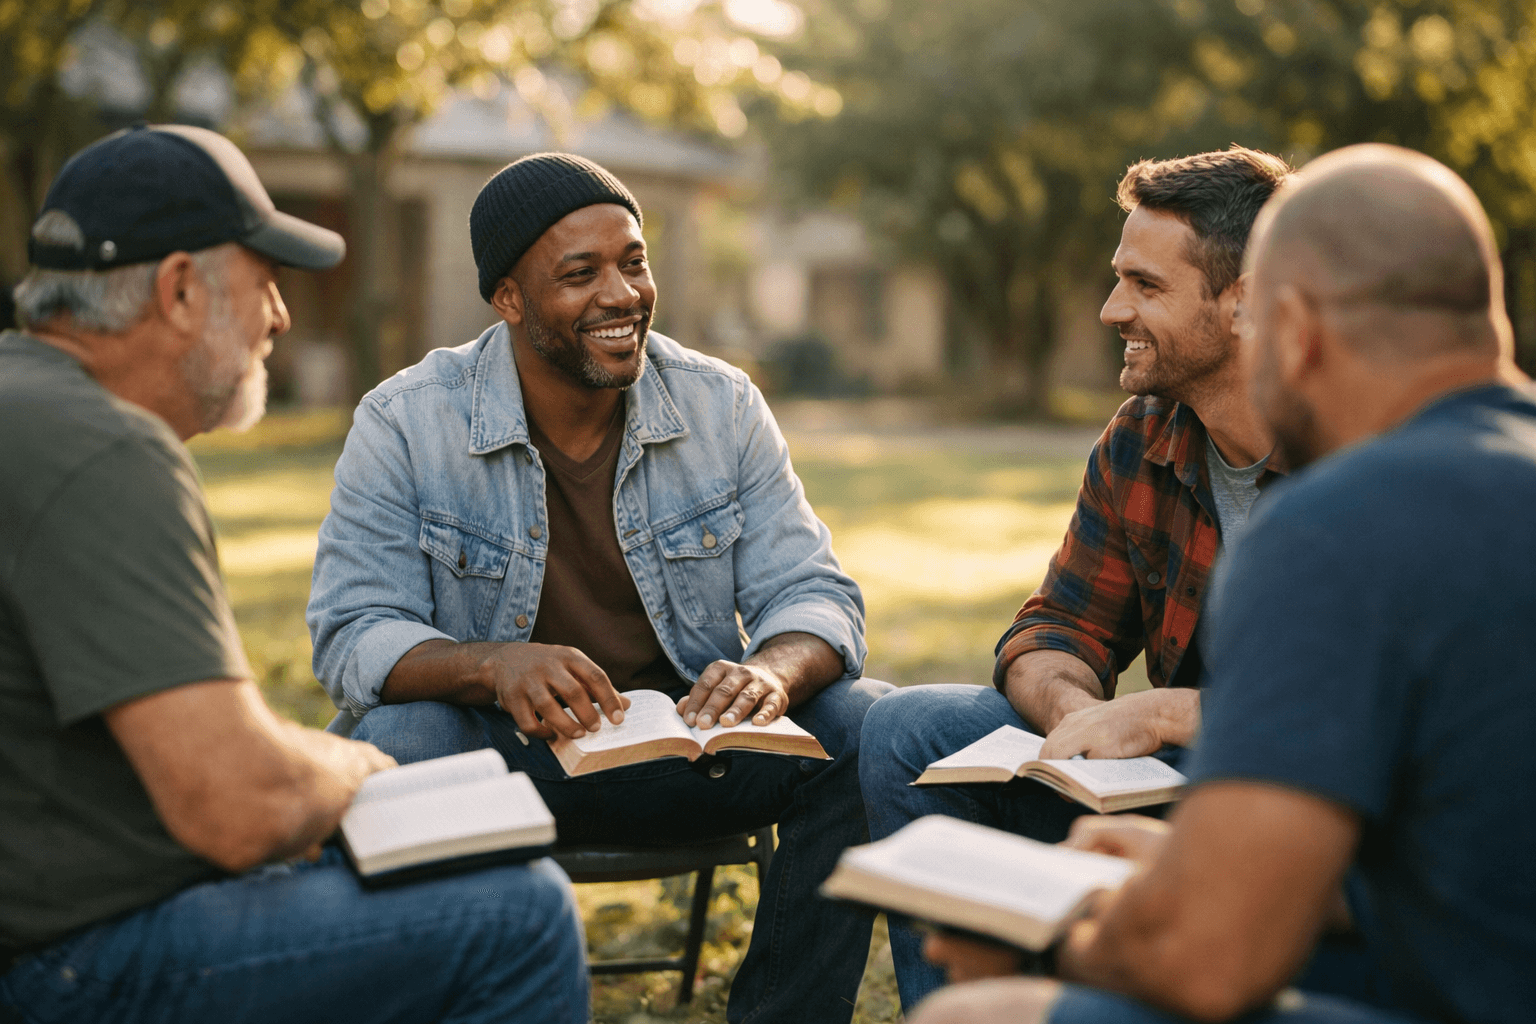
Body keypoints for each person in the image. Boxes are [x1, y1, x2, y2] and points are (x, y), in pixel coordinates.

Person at [906, 143, 1536, 1024]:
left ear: (1291, 327)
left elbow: (1209, 965)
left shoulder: (1336, 525)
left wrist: (1050, 933)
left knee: (972, 1016)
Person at [0, 125, 588, 1024]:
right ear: (182, 290)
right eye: (264, 279)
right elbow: (238, 805)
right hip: (58, 962)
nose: (278, 316)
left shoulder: (27, 405)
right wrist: (354, 768)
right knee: (522, 914)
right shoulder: (103, 450)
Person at [306, 152, 892, 1024]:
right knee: (400, 739)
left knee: (866, 721)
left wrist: (774, 669)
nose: (622, 295)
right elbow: (352, 633)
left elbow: (814, 593)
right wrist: (493, 666)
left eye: (634, 261)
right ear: (508, 299)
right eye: (580, 275)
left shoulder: (721, 405)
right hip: (503, 764)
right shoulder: (406, 420)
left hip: (695, 752)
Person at [859, 146, 1293, 1005]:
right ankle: (963, 1013)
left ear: (1243, 303)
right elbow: (1056, 628)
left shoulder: (1356, 460)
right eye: (1115, 278)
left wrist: (1164, 712)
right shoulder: (1142, 435)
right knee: (905, 727)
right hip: (1156, 791)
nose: (1109, 310)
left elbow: (1361, 715)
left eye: (1146, 286)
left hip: (1293, 806)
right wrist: (1080, 719)